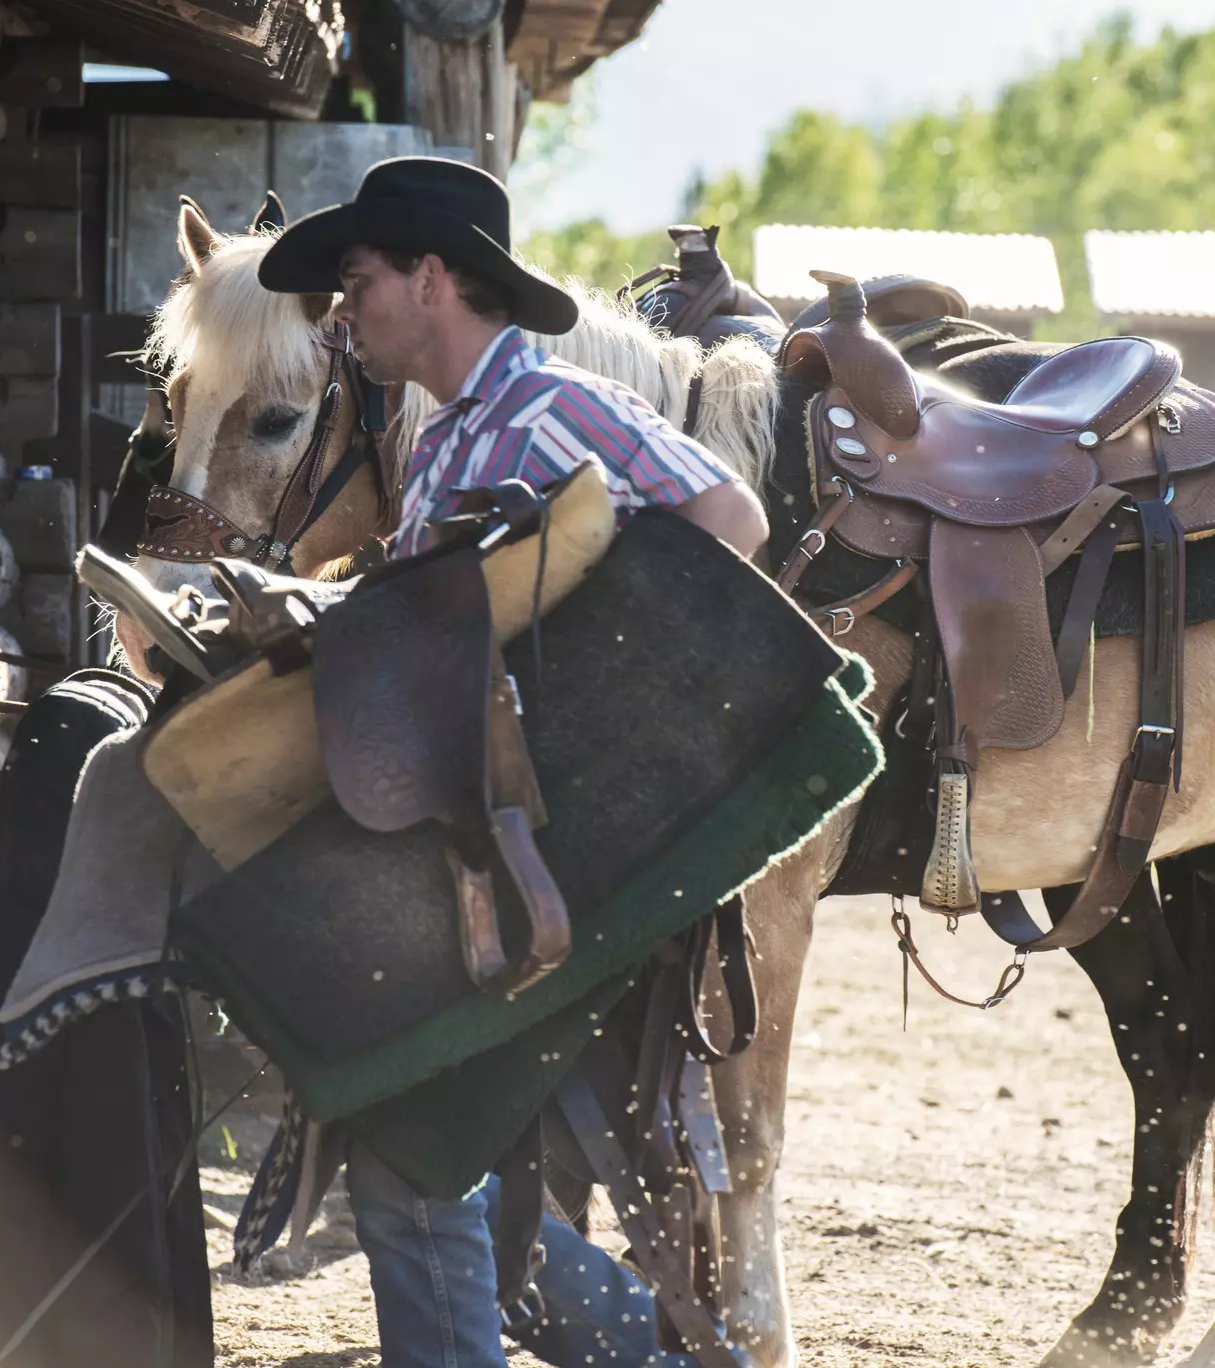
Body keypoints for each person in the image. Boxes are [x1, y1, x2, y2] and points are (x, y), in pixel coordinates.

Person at [258, 156, 762, 1368]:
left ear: (430, 278)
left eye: (359, 282)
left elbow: (729, 517)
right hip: (467, 835)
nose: (345, 311)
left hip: (541, 839)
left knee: (416, 1149)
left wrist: (603, 712)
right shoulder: (450, 437)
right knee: (440, 1158)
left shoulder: (549, 407)